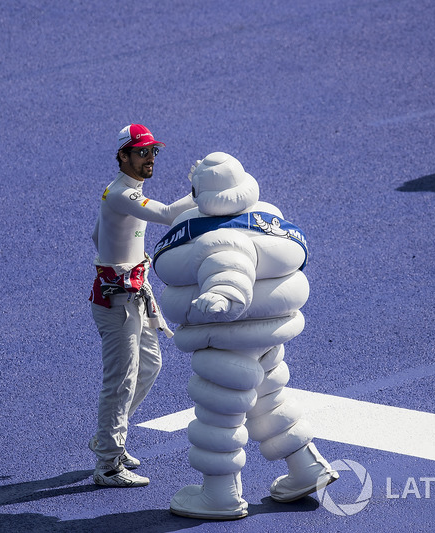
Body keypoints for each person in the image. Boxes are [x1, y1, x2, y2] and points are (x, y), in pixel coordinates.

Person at [152, 152, 338, 519]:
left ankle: (220, 496)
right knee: (268, 399)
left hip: (225, 332)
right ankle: (307, 468)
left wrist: (222, 297)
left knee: (218, 411)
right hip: (267, 331)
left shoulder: (215, 237)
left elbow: (229, 264)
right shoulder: (266, 214)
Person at [88, 124, 197, 487]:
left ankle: (108, 438)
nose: (150, 158)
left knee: (149, 364)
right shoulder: (122, 193)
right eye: (142, 152)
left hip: (132, 293)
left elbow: (97, 235)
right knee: (120, 381)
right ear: (123, 156)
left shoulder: (122, 193)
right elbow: (167, 214)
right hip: (119, 301)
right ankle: (107, 464)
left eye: (153, 152)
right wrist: (200, 191)